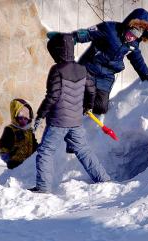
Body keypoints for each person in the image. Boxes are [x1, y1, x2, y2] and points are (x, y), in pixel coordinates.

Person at [29, 33, 110, 193]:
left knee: (46, 152)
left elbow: (52, 96)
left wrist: (40, 114)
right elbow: (92, 90)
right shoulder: (82, 69)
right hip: (76, 120)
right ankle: (104, 180)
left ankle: (43, 188)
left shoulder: (57, 70)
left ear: (57, 51)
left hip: (58, 121)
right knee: (84, 151)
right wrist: (87, 106)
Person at [48, 8, 148, 115]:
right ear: (129, 25)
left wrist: (146, 74)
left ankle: (83, 110)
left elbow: (137, 60)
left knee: (101, 107)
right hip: (89, 68)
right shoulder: (109, 29)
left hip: (106, 76)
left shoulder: (133, 44)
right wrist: (69, 38)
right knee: (79, 93)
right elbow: (87, 34)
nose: (132, 37)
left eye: (137, 35)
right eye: (132, 32)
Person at [0, 98, 38, 169]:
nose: (23, 120)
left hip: (29, 164)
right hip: (15, 164)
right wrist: (8, 158)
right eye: (20, 117)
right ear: (15, 116)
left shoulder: (29, 131)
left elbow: (34, 145)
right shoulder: (10, 130)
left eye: (26, 117)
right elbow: (4, 145)